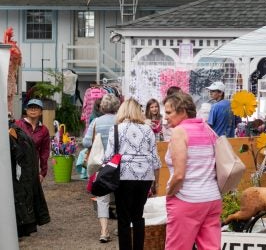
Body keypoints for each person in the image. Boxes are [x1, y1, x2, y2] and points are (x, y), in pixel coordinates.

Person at [163, 92, 221, 250]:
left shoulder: (180, 132)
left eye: (169, 112)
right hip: (212, 198)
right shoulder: (208, 129)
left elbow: (179, 174)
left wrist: (169, 193)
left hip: (187, 199)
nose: (165, 117)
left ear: (182, 111)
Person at [104, 98, 161, 250]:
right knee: (138, 216)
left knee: (123, 218)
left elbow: (108, 157)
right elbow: (155, 159)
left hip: (123, 176)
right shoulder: (148, 130)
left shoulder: (116, 129)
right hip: (145, 177)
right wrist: (157, 181)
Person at [82, 93, 121, 243]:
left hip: (101, 164)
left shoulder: (96, 122)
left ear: (102, 107)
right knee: (119, 197)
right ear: (117, 106)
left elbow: (86, 143)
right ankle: (119, 226)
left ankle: (104, 231)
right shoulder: (120, 120)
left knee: (102, 199)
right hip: (118, 164)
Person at [15, 99, 50, 183]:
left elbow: (44, 152)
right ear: (26, 110)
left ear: (41, 112)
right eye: (30, 108)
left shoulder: (44, 130)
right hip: (18, 165)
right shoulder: (18, 125)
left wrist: (42, 172)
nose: (33, 110)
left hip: (33, 166)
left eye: (36, 108)